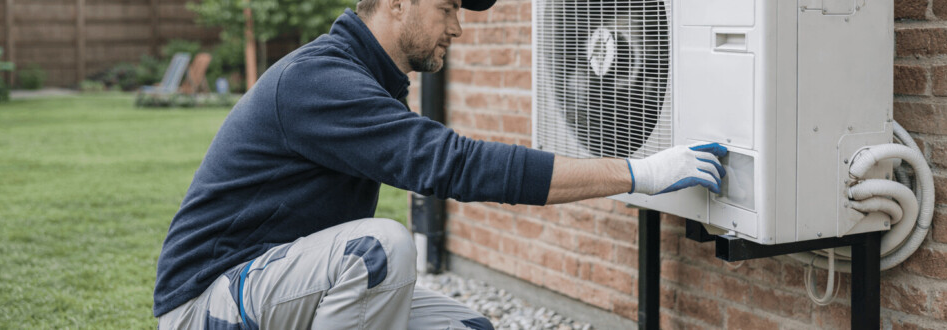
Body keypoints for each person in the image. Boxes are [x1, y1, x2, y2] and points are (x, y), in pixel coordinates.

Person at [152, 0, 726, 327]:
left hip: (281, 285)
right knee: (379, 249)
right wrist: (637, 173)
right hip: (207, 304)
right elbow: (457, 165)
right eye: (446, 6)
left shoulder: (370, 81)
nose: (457, 25)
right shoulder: (321, 80)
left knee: (470, 328)